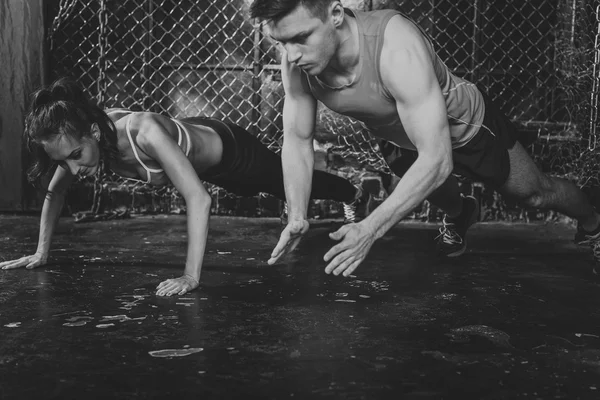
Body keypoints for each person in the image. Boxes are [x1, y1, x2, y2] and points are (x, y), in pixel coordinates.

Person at [249, 0, 600, 276]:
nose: (291, 54)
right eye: (281, 42)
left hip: (467, 130)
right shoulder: (295, 63)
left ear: (336, 14)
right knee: (439, 192)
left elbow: (437, 159)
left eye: (300, 38)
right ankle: (462, 213)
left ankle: (594, 223)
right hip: (399, 137)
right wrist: (297, 213)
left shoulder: (394, 47)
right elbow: (297, 138)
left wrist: (369, 229)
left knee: (535, 194)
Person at [0, 77, 370, 296]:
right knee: (276, 191)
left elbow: (199, 198)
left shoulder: (144, 133)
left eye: (75, 155)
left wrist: (191, 276)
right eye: (63, 161)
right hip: (196, 144)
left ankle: (351, 193)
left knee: (283, 185)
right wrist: (41, 252)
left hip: (233, 154)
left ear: (94, 133)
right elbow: (55, 192)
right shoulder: (85, 138)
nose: (72, 168)